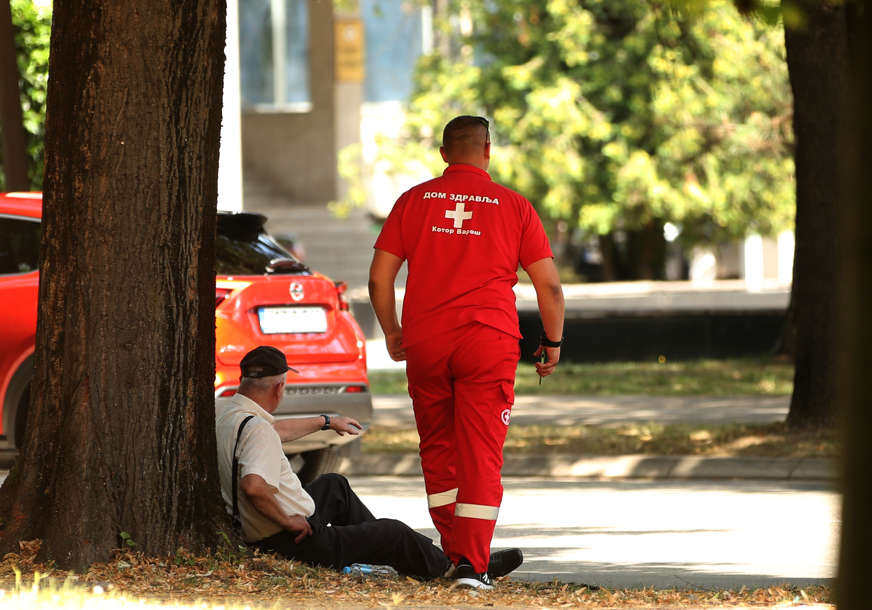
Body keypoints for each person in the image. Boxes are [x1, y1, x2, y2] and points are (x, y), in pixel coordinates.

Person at [368, 115, 565, 589]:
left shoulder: (413, 201)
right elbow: (550, 288)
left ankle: (458, 554)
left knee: (438, 447)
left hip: (427, 341)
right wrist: (552, 343)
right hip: (487, 341)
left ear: (443, 154)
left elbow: (379, 278)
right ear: (488, 150)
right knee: (480, 452)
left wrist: (393, 332)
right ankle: (473, 568)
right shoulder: (514, 206)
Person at [215, 345, 523, 582]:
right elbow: (253, 486)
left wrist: (326, 421)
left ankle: (395, 553)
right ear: (279, 387)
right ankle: (450, 569)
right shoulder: (258, 430)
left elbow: (273, 432)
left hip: (265, 529)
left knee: (335, 486)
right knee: (393, 532)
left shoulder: (231, 416)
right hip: (296, 539)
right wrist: (288, 520)